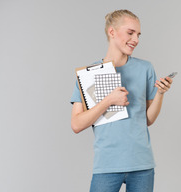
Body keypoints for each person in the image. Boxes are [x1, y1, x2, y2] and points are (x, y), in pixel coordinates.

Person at [70, 9, 173, 192]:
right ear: (112, 32)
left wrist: (160, 94)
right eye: (130, 33)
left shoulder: (145, 69)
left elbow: (147, 120)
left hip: (142, 164)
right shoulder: (89, 75)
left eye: (138, 34)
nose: (136, 40)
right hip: (107, 165)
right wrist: (108, 101)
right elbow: (76, 124)